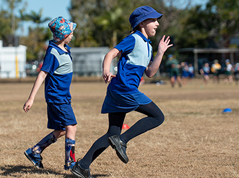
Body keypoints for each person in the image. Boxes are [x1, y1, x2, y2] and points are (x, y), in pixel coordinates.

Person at [71, 6, 173, 178]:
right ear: (142, 23)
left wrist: (161, 52)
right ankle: (123, 141)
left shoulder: (148, 45)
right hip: (125, 89)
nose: (157, 23)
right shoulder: (134, 38)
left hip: (118, 90)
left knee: (112, 133)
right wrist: (105, 69)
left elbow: (150, 73)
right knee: (158, 117)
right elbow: (111, 53)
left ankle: (82, 166)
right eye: (153, 20)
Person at [23, 16, 77, 170]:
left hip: (62, 96)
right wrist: (31, 98)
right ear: (64, 35)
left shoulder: (64, 49)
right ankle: (70, 163)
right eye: (71, 32)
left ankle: (35, 151)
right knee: (71, 126)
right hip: (57, 97)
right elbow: (42, 75)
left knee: (61, 129)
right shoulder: (53, 52)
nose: (73, 35)